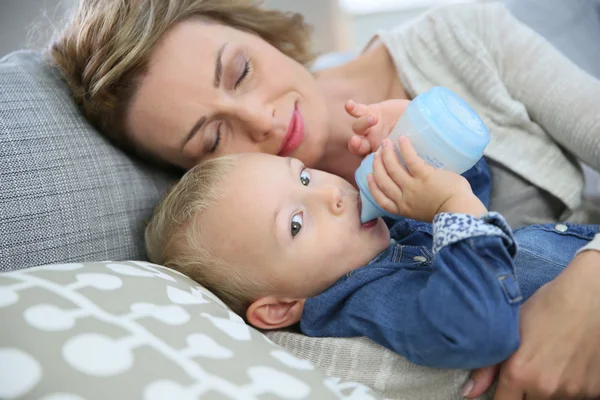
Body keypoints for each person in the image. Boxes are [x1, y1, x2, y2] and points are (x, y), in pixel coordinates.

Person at [50, 0, 600, 397]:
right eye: (213, 139)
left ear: (255, 27)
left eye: (240, 72)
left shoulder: (463, 36)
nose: (262, 120)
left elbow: (464, 212)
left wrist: (425, 156)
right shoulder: (297, 250)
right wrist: (449, 202)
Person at [144, 133, 598, 373]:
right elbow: (477, 333)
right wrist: (450, 206)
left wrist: (418, 149)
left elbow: (471, 194)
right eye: (296, 224)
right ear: (280, 307)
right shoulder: (371, 304)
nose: (331, 196)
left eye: (303, 177)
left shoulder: (386, 242)